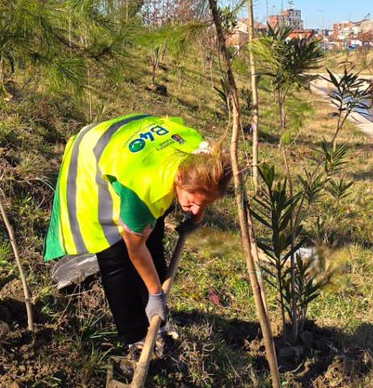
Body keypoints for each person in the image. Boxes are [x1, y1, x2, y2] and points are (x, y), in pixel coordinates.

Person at [44, 114, 232, 351]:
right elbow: (135, 249)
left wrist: (195, 216)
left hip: (133, 149)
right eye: (192, 201)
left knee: (152, 241)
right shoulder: (142, 188)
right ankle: (135, 337)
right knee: (116, 258)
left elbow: (199, 197)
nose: (195, 208)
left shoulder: (199, 156)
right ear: (179, 177)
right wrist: (156, 293)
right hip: (93, 155)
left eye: (203, 204)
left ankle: (155, 323)